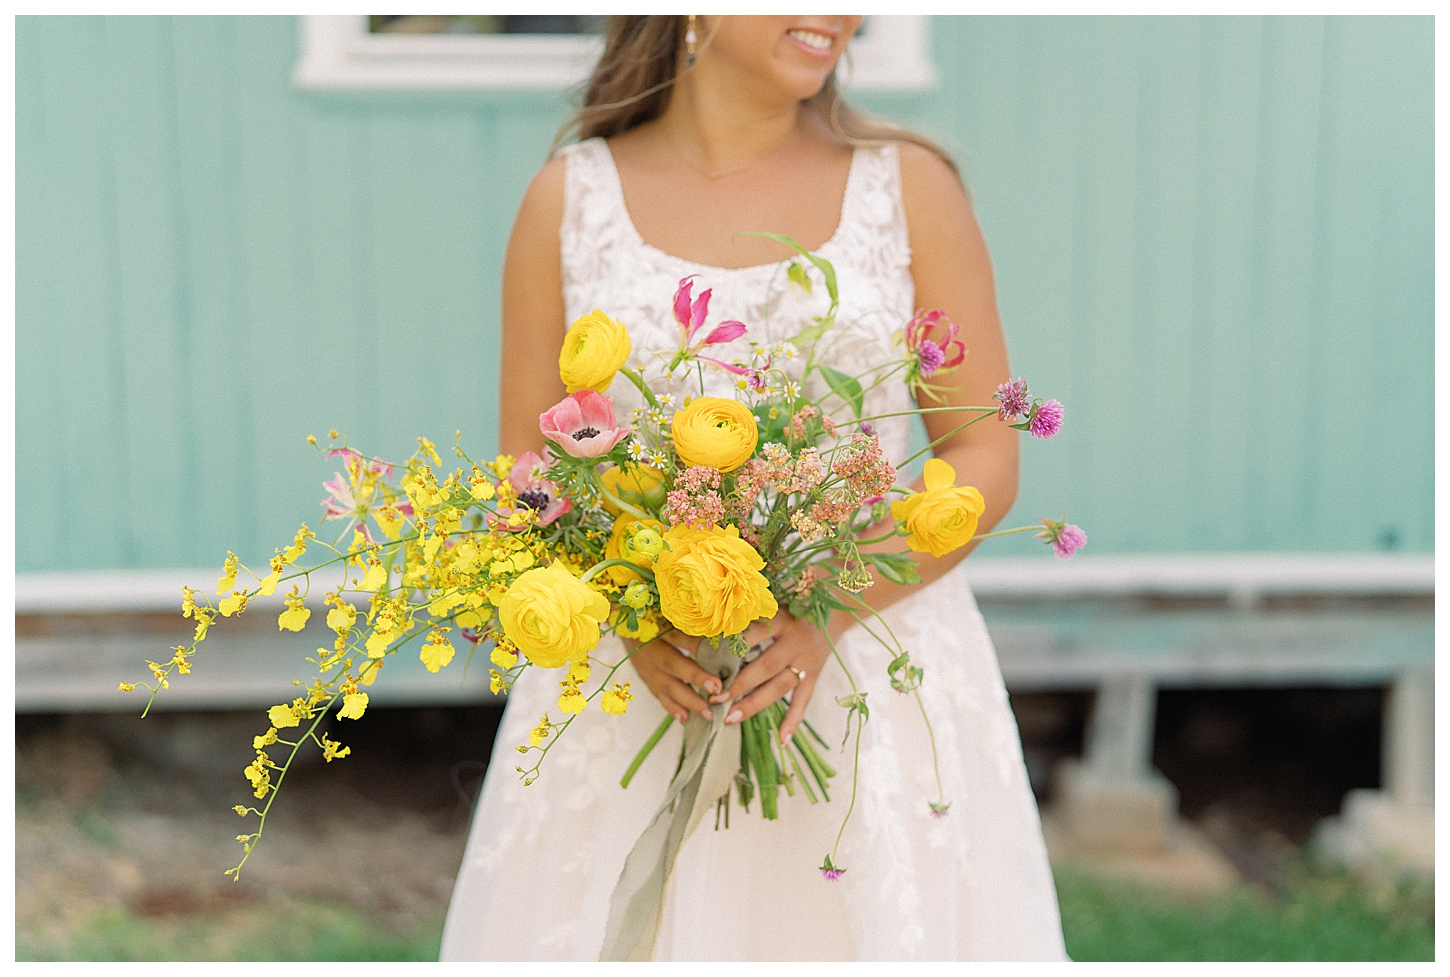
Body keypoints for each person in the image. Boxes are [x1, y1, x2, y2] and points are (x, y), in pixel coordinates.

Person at [441, 15, 1067, 961]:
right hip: (637, 685)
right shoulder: (567, 201)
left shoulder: (909, 189)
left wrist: (832, 608)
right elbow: (529, 478)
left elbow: (984, 454)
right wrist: (635, 618)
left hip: (867, 679)